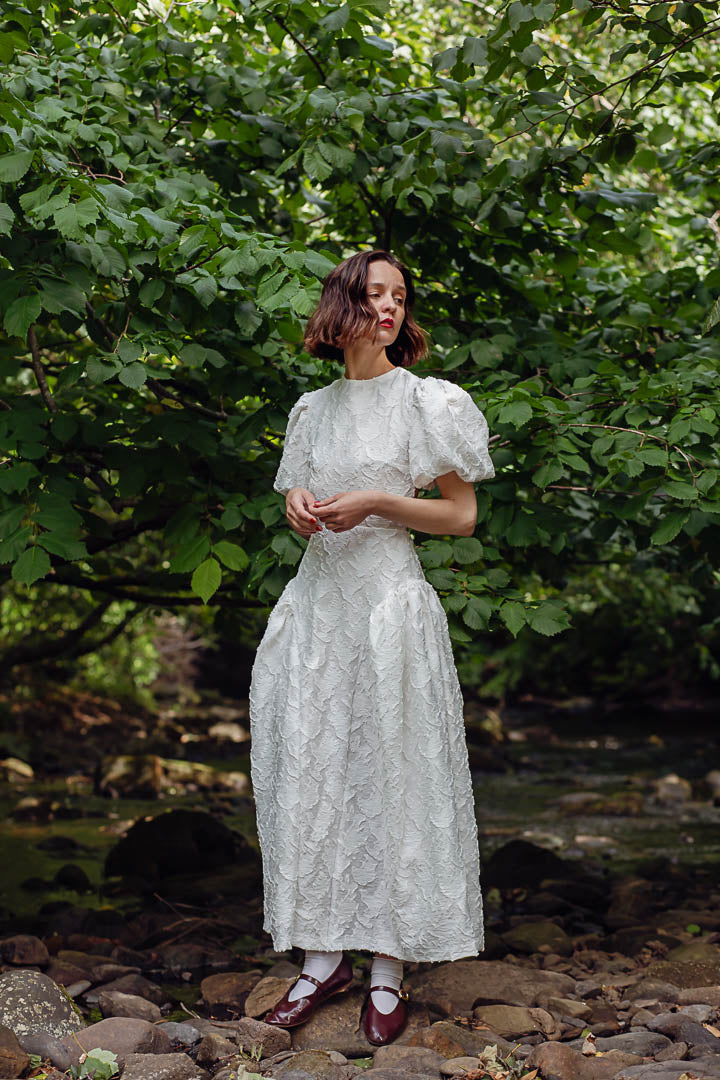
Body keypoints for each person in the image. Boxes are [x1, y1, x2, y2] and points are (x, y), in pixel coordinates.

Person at [248, 249, 495, 1046]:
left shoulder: (428, 401)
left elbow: (461, 517)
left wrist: (381, 503)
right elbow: (305, 495)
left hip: (390, 608)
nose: (388, 307)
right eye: (373, 294)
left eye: (399, 296)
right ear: (342, 307)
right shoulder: (311, 410)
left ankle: (388, 968)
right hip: (319, 611)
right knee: (316, 772)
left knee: (395, 774)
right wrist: (299, 501)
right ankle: (321, 962)